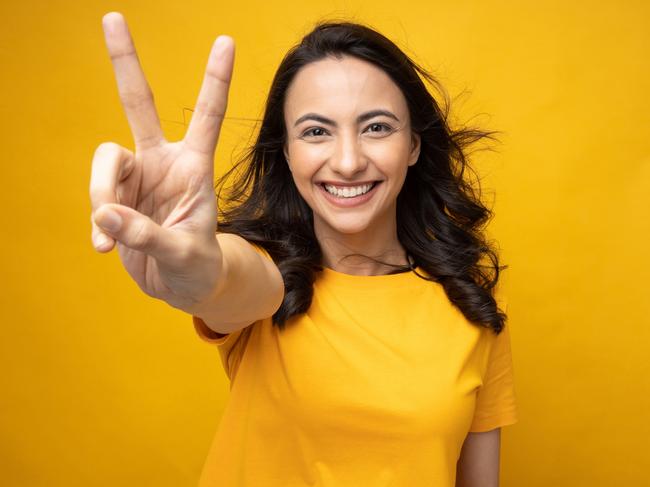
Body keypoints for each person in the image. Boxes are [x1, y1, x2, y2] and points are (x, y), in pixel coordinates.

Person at [90, 11, 518, 487]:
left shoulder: (474, 306)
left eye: (377, 127)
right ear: (288, 153)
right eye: (316, 132)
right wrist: (195, 268)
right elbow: (228, 281)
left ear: (414, 145)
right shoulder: (267, 278)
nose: (349, 161)